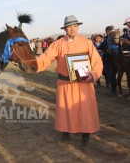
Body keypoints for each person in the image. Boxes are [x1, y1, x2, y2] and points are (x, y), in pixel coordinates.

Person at [36, 15, 103, 147]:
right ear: (65, 28)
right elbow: (45, 58)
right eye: (69, 26)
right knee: (65, 109)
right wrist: (32, 64)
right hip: (65, 83)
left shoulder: (87, 43)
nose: (72, 29)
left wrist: (93, 74)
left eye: (75, 26)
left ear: (77, 27)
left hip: (83, 83)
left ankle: (86, 136)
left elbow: (97, 62)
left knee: (85, 110)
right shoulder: (58, 44)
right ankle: (65, 134)